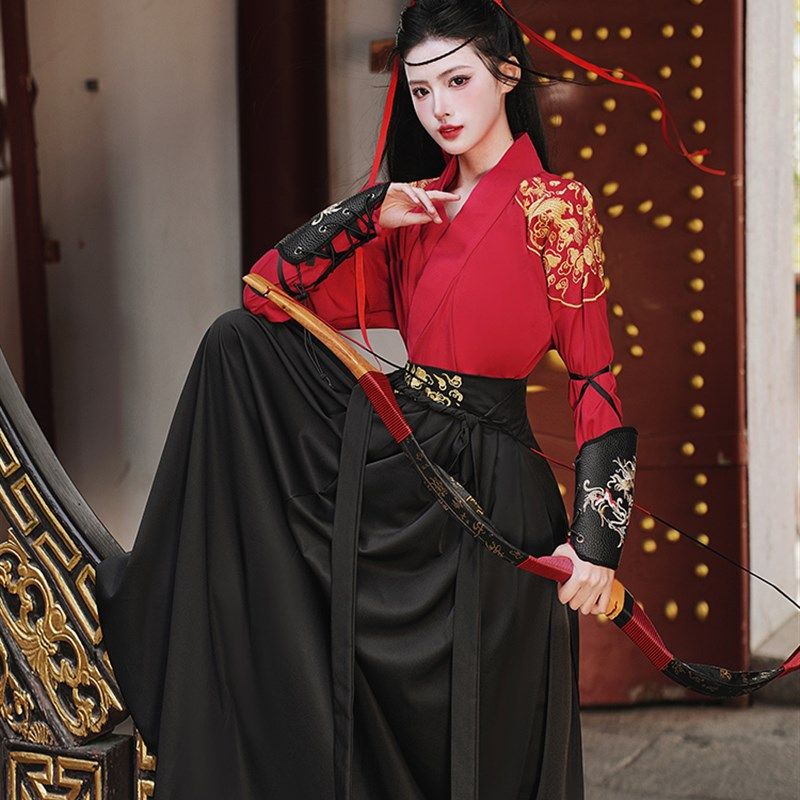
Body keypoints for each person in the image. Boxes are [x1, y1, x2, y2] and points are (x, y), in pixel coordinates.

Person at [96, 1, 641, 798]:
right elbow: (265, 297)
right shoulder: (411, 212)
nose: (439, 107)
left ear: (507, 75)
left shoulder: (555, 209)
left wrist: (597, 544)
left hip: (493, 492)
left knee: (488, 731)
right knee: (232, 346)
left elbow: (595, 379)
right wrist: (365, 214)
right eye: (420, 90)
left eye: (457, 80)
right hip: (401, 480)